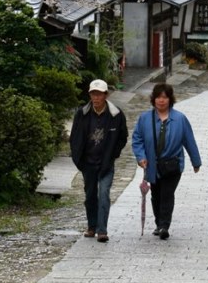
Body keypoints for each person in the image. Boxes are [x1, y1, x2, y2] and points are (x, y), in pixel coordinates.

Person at [132, 81, 201, 240]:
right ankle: (158, 223)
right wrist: (141, 157)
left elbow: (189, 140)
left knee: (167, 194)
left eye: (164, 97)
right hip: (153, 165)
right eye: (158, 97)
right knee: (156, 195)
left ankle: (164, 225)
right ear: (153, 99)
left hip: (173, 164)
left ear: (170, 99)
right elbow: (137, 139)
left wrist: (196, 162)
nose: (161, 100)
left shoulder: (180, 119)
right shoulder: (145, 118)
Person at [70, 79, 128, 243]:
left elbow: (122, 138)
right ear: (89, 95)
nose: (96, 98)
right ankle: (91, 226)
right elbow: (74, 137)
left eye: (99, 94)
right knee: (90, 196)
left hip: (106, 162)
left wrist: (113, 155)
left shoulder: (116, 115)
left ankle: (102, 230)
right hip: (87, 162)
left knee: (103, 194)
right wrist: (77, 158)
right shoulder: (82, 114)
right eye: (93, 94)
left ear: (105, 95)